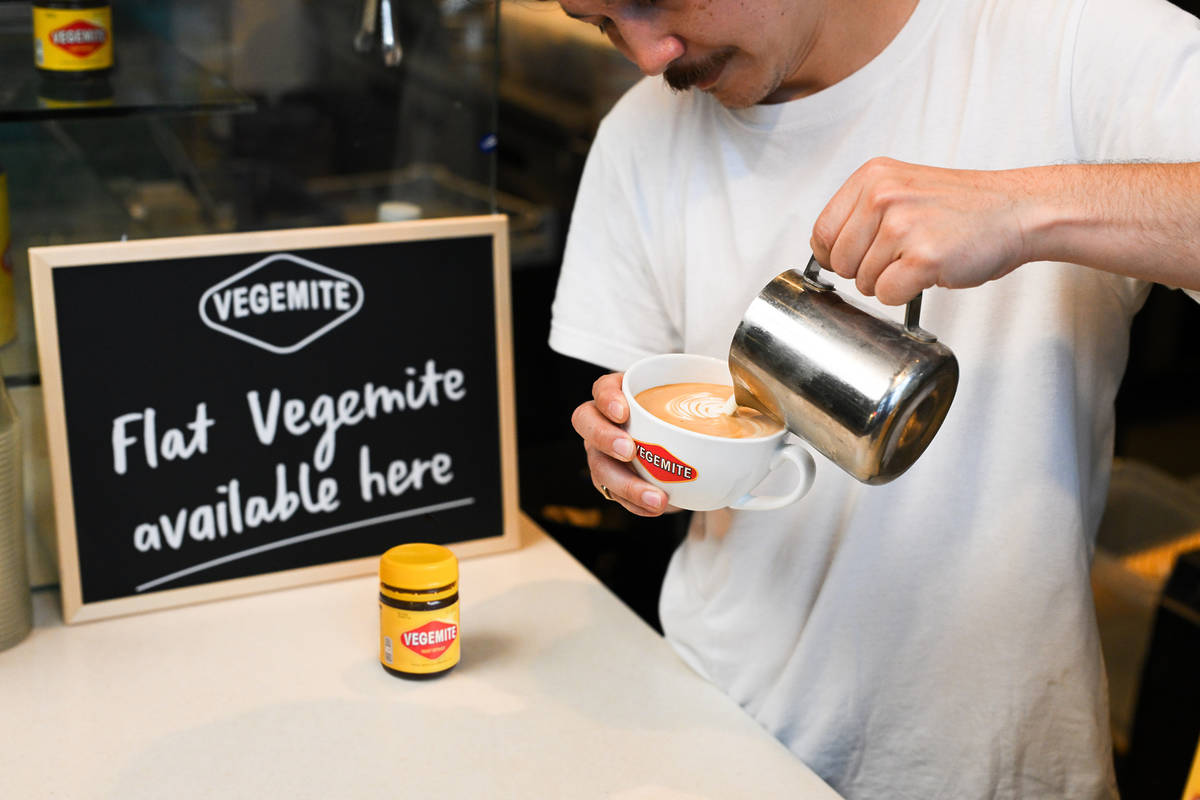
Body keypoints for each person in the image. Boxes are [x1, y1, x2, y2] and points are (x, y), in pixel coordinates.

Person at [545, 0, 1200, 796]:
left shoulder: (1074, 36)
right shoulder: (640, 133)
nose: (647, 54)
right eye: (601, 22)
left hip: (991, 766)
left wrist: (1027, 207)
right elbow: (638, 425)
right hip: (712, 739)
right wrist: (619, 452)